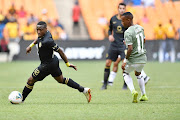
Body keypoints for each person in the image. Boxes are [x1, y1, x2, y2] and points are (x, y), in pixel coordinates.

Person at [21, 21, 91, 103]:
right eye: (37, 30)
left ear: (45, 29)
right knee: (61, 80)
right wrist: (31, 46)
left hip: (46, 65)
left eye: (40, 30)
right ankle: (84, 90)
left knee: (30, 80)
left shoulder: (48, 41)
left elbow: (60, 51)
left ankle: (21, 99)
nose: (38, 32)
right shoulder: (44, 33)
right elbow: (38, 38)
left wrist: (67, 64)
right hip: (53, 61)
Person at [101, 3, 149, 90]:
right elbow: (109, 29)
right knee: (108, 63)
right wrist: (110, 35)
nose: (122, 10)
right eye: (120, 8)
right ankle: (104, 84)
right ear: (118, 9)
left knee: (125, 64)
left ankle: (125, 85)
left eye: (123, 8)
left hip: (123, 45)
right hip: (114, 45)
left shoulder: (126, 20)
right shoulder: (113, 19)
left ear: (125, 9)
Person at [121, 12, 148, 103]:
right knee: (138, 73)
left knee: (125, 72)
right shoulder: (140, 28)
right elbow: (143, 40)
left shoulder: (128, 32)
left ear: (129, 20)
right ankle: (143, 95)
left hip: (133, 59)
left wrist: (125, 60)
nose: (122, 23)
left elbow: (130, 49)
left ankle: (133, 91)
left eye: (123, 21)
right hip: (143, 59)